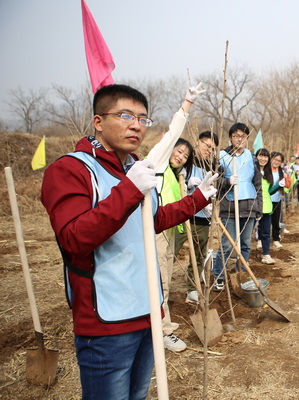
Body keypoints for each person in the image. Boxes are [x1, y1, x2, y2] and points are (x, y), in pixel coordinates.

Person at [40, 83, 217, 399]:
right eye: (125, 115)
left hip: (147, 311)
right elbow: (73, 238)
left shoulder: (135, 169)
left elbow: (154, 220)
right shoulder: (71, 169)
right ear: (98, 121)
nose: (136, 125)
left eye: (143, 118)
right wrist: (128, 191)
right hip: (107, 324)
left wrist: (198, 198)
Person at [155, 137, 195, 352]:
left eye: (185, 156)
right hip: (157, 231)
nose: (180, 156)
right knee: (160, 281)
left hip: (169, 231)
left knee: (166, 279)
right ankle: (163, 332)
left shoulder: (172, 173)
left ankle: (164, 321)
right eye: (178, 151)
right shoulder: (158, 164)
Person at [213, 122, 262, 291]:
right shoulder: (221, 156)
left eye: (243, 136)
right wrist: (227, 181)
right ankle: (218, 276)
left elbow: (257, 184)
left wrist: (259, 207)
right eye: (236, 136)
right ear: (230, 138)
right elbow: (214, 181)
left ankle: (241, 273)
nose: (239, 139)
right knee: (226, 245)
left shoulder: (251, 156)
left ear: (247, 138)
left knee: (246, 244)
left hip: (248, 207)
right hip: (229, 207)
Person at [182, 131, 219, 304]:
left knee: (198, 256)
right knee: (170, 253)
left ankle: (192, 289)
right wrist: (187, 185)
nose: (209, 151)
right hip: (182, 215)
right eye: (207, 146)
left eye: (213, 149)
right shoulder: (185, 161)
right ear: (198, 142)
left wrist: (211, 203)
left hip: (203, 216)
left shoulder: (209, 167)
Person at [256, 148, 286, 264]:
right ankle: (243, 257)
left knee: (266, 231)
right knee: (248, 234)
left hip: (267, 205)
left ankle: (266, 254)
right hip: (254, 206)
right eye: (260, 156)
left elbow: (268, 191)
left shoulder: (269, 173)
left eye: (265, 157)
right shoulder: (253, 171)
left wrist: (279, 185)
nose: (263, 159)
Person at [270, 152, 288, 248]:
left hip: (276, 199)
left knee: (276, 220)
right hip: (265, 199)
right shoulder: (266, 170)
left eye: (279, 161)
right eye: (275, 159)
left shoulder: (281, 172)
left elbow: (287, 186)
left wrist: (287, 180)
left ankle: (276, 238)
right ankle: (260, 239)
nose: (276, 162)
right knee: (263, 221)